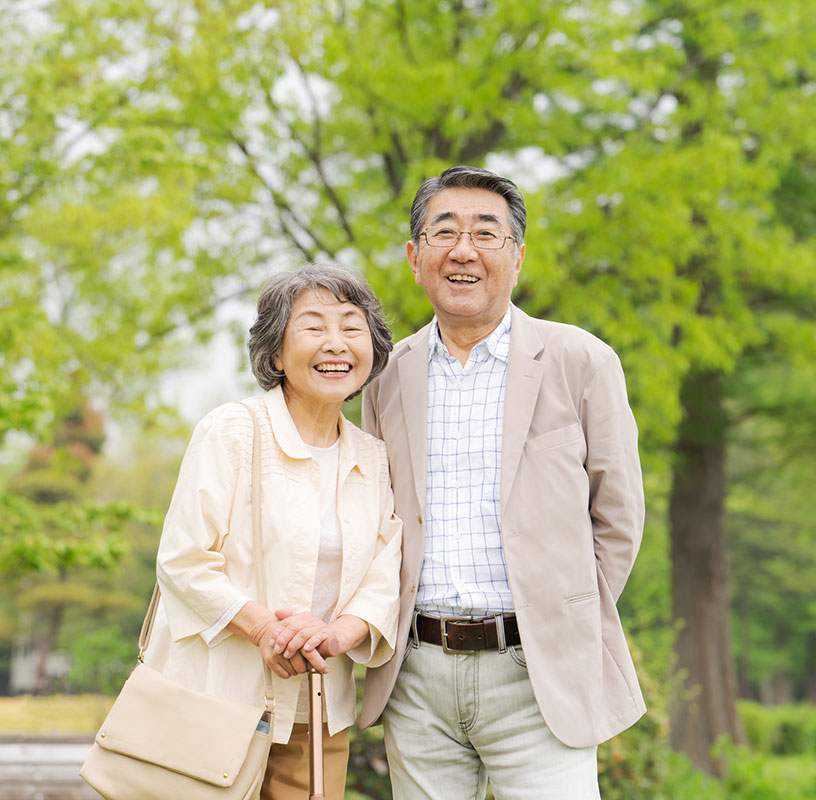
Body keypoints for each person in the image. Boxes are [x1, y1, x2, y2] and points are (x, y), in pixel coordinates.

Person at [358, 166, 646, 799]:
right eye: (445, 232)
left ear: (516, 258)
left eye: (486, 233)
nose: (464, 250)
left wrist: (562, 616)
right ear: (415, 256)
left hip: (538, 672)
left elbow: (618, 518)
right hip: (417, 674)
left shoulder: (580, 361)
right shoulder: (386, 377)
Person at [146, 263, 403, 799]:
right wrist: (266, 629)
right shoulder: (233, 431)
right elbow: (184, 559)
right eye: (314, 327)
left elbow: (384, 576)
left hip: (317, 705)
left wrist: (335, 635)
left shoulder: (372, 458)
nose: (337, 344)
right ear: (277, 353)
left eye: (353, 328)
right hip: (216, 699)